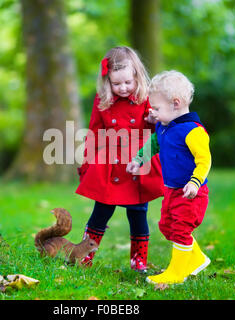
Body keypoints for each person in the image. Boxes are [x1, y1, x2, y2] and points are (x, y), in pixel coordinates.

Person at [76, 46, 164, 272]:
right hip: (110, 163)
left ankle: (138, 261)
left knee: (138, 213)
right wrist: (87, 163)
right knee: (101, 211)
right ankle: (85, 255)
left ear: (137, 76)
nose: (123, 88)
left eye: (127, 82)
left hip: (137, 163)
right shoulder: (103, 100)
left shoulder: (146, 98)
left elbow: (159, 132)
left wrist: (156, 120)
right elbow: (94, 133)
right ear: (107, 82)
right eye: (117, 84)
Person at [126, 70, 212, 284]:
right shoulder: (164, 127)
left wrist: (195, 182)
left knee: (181, 229)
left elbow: (204, 160)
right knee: (167, 226)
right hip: (171, 190)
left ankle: (176, 273)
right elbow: (154, 143)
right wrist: (139, 159)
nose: (153, 112)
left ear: (176, 103)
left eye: (157, 108)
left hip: (191, 192)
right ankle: (197, 258)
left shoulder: (193, 131)